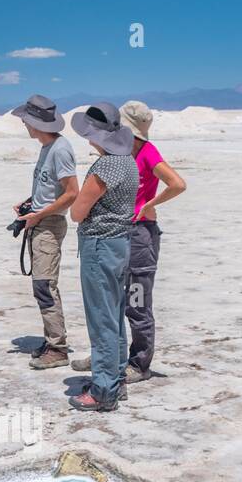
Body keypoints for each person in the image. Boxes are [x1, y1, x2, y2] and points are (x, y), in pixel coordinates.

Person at [72, 100, 186, 382]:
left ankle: (139, 362)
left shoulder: (147, 152)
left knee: (136, 301)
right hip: (119, 235)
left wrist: (148, 205)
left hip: (139, 235)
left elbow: (177, 183)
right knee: (113, 298)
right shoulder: (120, 155)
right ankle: (108, 356)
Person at [68, 103, 139, 412]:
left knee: (102, 319)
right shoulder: (128, 161)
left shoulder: (105, 166)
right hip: (121, 243)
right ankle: (116, 379)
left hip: (100, 245)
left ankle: (103, 390)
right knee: (114, 314)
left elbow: (77, 212)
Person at [9, 94, 79, 370]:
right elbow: (52, 189)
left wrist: (40, 213)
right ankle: (52, 341)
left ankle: (58, 348)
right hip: (40, 222)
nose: (24, 125)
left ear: (34, 122)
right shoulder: (46, 147)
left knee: (45, 285)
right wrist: (30, 201)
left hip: (49, 225)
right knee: (41, 285)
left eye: (25, 120)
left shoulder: (60, 149)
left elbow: (73, 193)